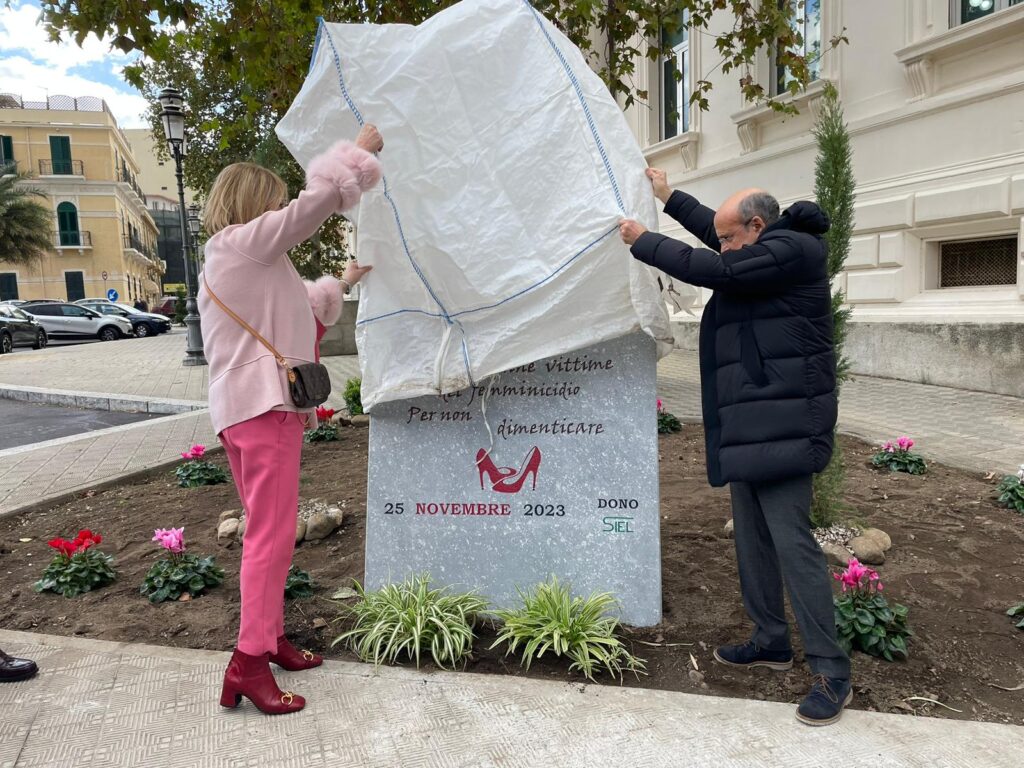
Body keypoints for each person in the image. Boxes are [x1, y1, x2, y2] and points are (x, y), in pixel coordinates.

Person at [619, 169, 852, 727]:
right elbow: (716, 236)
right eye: (722, 237)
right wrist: (668, 196)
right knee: (752, 538)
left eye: (730, 236)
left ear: (757, 225)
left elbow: (718, 266)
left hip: (788, 422)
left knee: (793, 545)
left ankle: (831, 669)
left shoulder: (791, 249)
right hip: (756, 420)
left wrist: (642, 240)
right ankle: (770, 639)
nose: (721, 244)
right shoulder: (761, 245)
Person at [199, 123, 384, 715]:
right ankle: (248, 662)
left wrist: (344, 283)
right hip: (263, 410)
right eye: (273, 202)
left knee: (269, 532)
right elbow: (313, 206)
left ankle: (269, 638)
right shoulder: (242, 244)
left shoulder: (242, 262)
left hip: (248, 410)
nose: (281, 210)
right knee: (270, 536)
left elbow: (298, 313)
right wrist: (356, 154)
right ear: (254, 205)